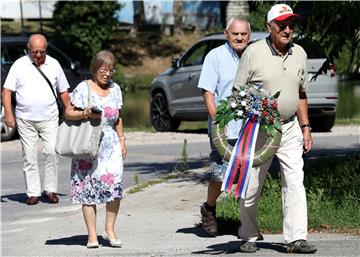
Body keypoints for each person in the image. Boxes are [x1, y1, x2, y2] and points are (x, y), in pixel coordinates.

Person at [233, 4, 317, 254]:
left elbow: (301, 94)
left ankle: (296, 238)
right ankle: (248, 234)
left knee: (294, 181)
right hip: (260, 128)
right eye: (282, 25)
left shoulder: (300, 53)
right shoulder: (253, 52)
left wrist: (306, 126)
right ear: (270, 27)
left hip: (290, 126)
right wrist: (255, 111)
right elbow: (238, 92)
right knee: (252, 185)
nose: (288, 29)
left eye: (291, 24)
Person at [65, 50, 126, 248]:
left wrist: (122, 140)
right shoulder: (84, 88)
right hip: (88, 143)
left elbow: (118, 117)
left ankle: (110, 229)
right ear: (95, 69)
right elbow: (68, 113)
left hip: (110, 144)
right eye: (103, 70)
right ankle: (92, 235)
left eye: (110, 70)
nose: (107, 74)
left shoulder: (115, 89)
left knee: (114, 187)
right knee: (87, 189)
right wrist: (85, 113)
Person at [197, 17, 251, 237]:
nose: (239, 38)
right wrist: (219, 122)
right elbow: (207, 92)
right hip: (224, 126)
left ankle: (247, 224)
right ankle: (209, 209)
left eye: (243, 34)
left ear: (249, 35)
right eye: (235, 34)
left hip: (249, 126)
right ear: (226, 34)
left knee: (248, 174)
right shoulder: (215, 56)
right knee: (220, 174)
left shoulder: (253, 56)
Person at [2, 34, 70, 205]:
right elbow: (6, 91)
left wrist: (70, 111)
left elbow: (63, 91)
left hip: (49, 117)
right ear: (28, 49)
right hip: (25, 119)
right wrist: (9, 114)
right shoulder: (19, 65)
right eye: (35, 52)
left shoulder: (54, 64)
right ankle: (33, 192)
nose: (39, 55)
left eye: (42, 51)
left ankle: (50, 190)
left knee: (52, 152)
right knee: (30, 156)